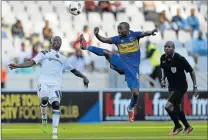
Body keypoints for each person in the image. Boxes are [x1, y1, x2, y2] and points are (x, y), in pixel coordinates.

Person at [8, 36, 89, 139]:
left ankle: (54, 132)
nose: (57, 41)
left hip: (56, 84)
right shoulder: (44, 53)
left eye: (59, 40)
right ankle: (44, 117)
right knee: (44, 98)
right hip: (44, 82)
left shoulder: (63, 59)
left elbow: (74, 70)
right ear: (52, 42)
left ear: (61, 44)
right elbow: (31, 62)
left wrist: (84, 77)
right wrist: (18, 65)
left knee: (56, 104)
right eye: (55, 40)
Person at [79, 22, 158, 122]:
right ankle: (86, 46)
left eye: (121, 29)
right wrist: (97, 35)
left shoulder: (134, 35)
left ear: (127, 29)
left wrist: (151, 32)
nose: (119, 31)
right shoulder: (117, 39)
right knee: (107, 53)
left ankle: (130, 109)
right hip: (122, 63)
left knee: (136, 94)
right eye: (118, 29)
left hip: (132, 70)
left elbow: (144, 33)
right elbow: (105, 40)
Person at [160, 41, 198, 136]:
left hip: (181, 86)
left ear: (173, 48)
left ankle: (177, 126)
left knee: (168, 106)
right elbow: (163, 68)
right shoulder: (163, 58)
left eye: (169, 47)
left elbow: (191, 71)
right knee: (177, 109)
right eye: (165, 47)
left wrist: (195, 86)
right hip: (171, 86)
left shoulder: (180, 59)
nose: (166, 48)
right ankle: (187, 126)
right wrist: (163, 79)